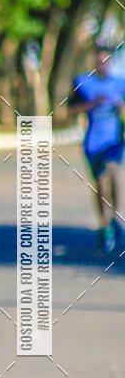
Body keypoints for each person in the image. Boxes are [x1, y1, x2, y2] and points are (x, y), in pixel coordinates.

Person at [70, 45, 125, 252]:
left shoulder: (120, 83)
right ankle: (106, 224)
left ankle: (115, 217)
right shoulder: (83, 83)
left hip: (114, 142)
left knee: (114, 178)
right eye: (99, 61)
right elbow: (68, 110)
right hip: (93, 143)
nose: (102, 65)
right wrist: (92, 105)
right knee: (101, 185)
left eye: (105, 61)